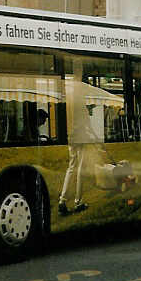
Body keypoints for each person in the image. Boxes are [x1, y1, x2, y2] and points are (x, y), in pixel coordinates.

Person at [59, 59, 98, 216]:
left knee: (71, 167)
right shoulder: (78, 91)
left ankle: (62, 199)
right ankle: (78, 201)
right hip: (80, 135)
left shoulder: (68, 91)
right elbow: (85, 118)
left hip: (71, 135)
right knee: (81, 168)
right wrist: (94, 135)